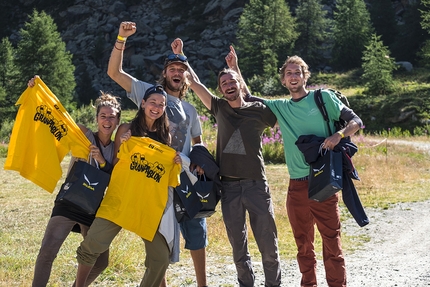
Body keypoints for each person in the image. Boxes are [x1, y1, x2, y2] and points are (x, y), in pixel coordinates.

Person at [107, 21, 207, 287]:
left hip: (183, 178)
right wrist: (121, 38)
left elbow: (198, 142)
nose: (177, 73)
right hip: (154, 179)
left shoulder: (191, 110)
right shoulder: (151, 94)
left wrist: (199, 162)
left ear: (186, 77)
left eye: (181, 70)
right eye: (172, 68)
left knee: (197, 233)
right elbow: (114, 72)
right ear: (164, 73)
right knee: (159, 238)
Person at [182, 41, 282, 286]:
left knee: (268, 245)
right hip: (228, 188)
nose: (228, 85)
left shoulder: (259, 111)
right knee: (239, 248)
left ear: (240, 84)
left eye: (232, 81)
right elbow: (194, 83)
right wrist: (181, 56)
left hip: (256, 185)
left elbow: (274, 117)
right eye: (223, 83)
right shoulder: (219, 108)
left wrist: (236, 68)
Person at [259, 56, 364, 287]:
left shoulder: (323, 98)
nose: (293, 77)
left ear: (305, 76)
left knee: (331, 243)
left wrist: (340, 135)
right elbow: (247, 98)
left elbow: (356, 121)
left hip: (324, 182)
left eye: (297, 72)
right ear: (284, 81)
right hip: (296, 185)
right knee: (302, 244)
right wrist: (235, 68)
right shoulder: (281, 107)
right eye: (289, 74)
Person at [74, 84, 182, 287]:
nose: (156, 107)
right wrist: (123, 145)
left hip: (147, 205)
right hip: (121, 199)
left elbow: (165, 173)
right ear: (143, 104)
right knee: (91, 246)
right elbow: (115, 164)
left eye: (161, 104)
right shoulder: (126, 129)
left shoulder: (165, 136)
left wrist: (174, 162)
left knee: (160, 258)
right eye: (153, 102)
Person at [28, 75, 121, 287]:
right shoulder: (83, 135)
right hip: (69, 201)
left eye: (112, 117)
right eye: (103, 116)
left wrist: (102, 161)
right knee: (47, 252)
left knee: (101, 261)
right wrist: (37, 91)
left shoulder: (118, 148)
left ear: (117, 121)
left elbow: (116, 177)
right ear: (96, 118)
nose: (107, 121)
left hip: (94, 209)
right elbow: (57, 116)